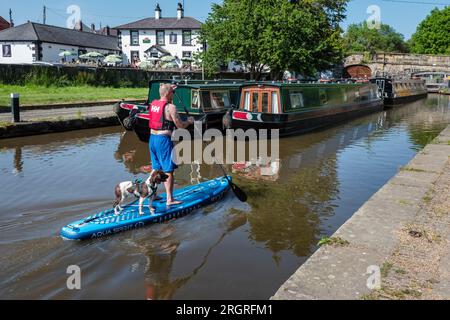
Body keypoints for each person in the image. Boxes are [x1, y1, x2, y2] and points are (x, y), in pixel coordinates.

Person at [149, 83, 194, 206]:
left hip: (152, 138)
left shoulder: (153, 104)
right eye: (172, 92)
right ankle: (170, 199)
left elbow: (164, 93)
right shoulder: (171, 107)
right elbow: (179, 125)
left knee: (156, 169)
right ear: (169, 93)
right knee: (169, 170)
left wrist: (169, 90)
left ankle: (153, 194)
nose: (173, 94)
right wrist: (189, 122)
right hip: (163, 140)